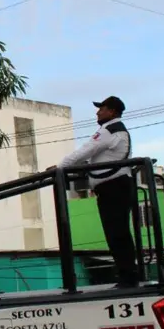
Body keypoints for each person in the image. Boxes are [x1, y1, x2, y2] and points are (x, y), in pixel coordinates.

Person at [56, 96, 139, 287]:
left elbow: (84, 151)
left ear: (112, 112)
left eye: (102, 108)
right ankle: (127, 274)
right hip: (115, 187)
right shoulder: (116, 131)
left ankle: (128, 276)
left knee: (117, 233)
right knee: (118, 233)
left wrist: (60, 168)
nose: (98, 112)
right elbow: (95, 160)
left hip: (114, 187)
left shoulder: (109, 130)